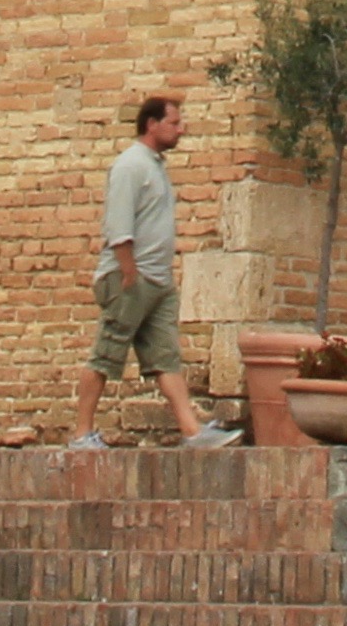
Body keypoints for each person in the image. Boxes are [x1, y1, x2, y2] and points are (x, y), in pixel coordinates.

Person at [67, 93, 235, 451]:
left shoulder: (155, 166)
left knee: (165, 358)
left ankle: (192, 431)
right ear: (151, 124)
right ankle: (81, 434)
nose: (181, 130)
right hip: (132, 278)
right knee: (106, 354)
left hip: (157, 283)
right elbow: (118, 226)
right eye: (174, 123)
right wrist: (129, 274)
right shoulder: (131, 165)